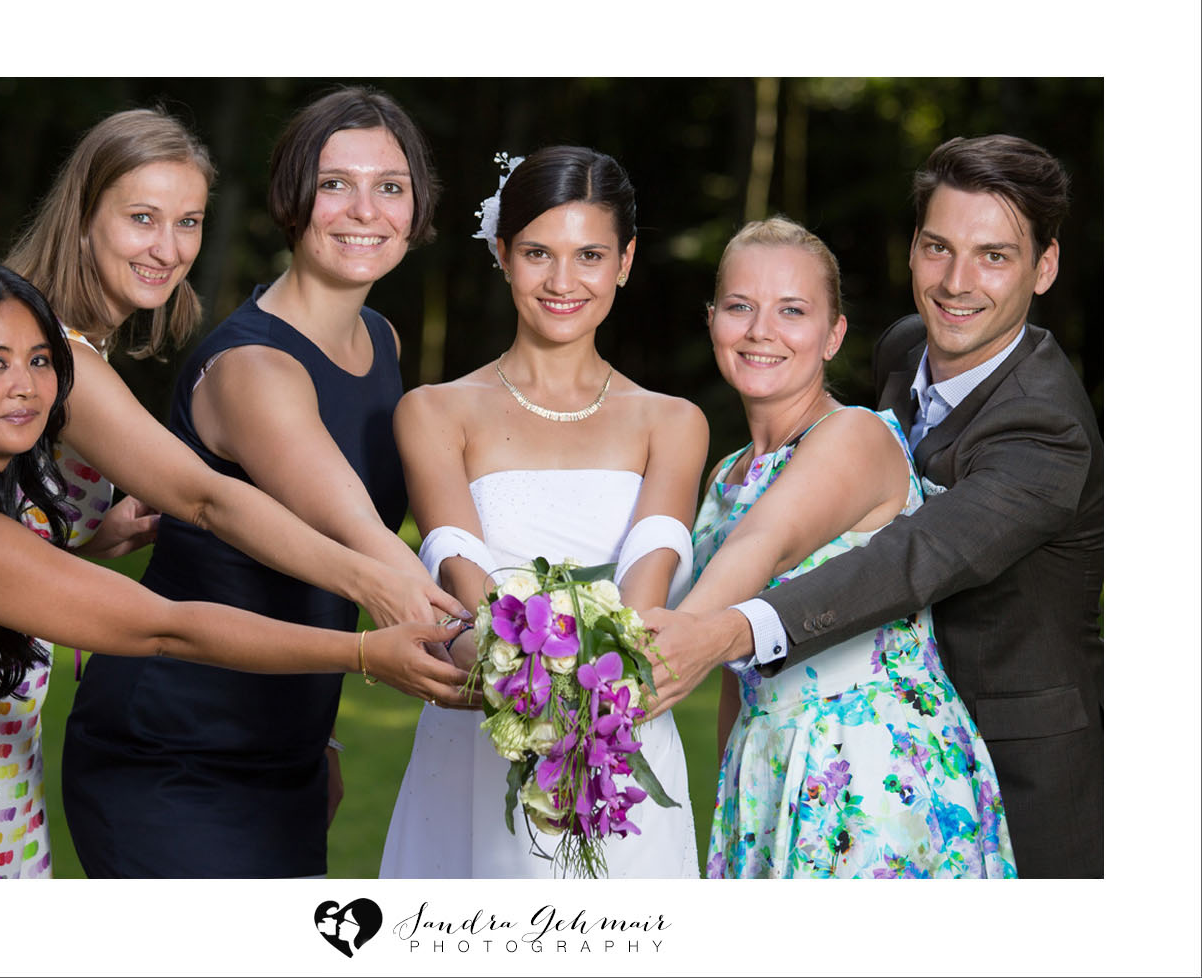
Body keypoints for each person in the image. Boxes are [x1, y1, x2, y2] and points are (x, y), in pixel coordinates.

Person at [0, 108, 459, 878]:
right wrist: (386, 588)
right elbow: (204, 499)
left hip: (7, 699)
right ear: (83, 218)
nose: (167, 249)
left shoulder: (74, 351)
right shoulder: (55, 357)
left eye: (188, 222)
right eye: (141, 219)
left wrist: (86, 540)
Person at [647, 135, 1102, 878]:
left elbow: (908, 559)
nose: (958, 282)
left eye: (995, 255)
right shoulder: (904, 350)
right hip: (826, 745)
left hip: (1012, 769)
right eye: (938, 247)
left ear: (1043, 267)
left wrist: (726, 629)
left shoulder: (1047, 430)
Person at [379, 146, 709, 878]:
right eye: (537, 253)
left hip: (620, 718)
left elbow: (651, 569)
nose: (564, 282)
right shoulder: (434, 410)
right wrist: (519, 687)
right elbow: (453, 552)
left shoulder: (673, 421)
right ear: (501, 254)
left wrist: (599, 696)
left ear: (624, 262)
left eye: (590, 254)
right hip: (486, 711)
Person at [675, 217, 1014, 877]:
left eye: (792, 311)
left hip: (868, 767)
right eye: (740, 306)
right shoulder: (727, 475)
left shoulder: (854, 436)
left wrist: (638, 666)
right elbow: (731, 674)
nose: (760, 330)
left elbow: (765, 546)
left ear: (834, 335)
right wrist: (730, 789)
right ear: (712, 319)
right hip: (764, 764)